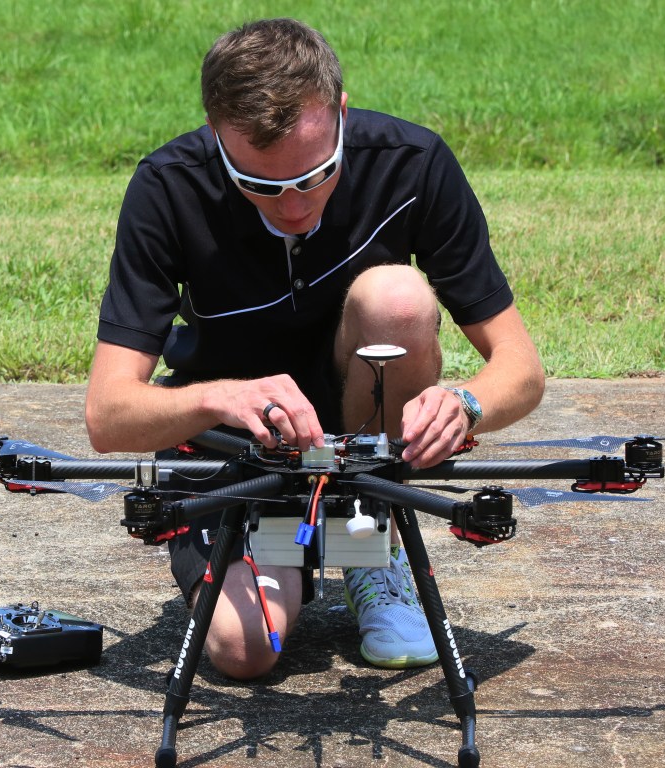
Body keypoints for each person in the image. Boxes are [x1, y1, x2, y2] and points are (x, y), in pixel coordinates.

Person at [86, 18, 544, 680]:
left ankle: (368, 536)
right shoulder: (166, 188)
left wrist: (465, 402)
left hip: (361, 440)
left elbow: (522, 370)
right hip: (240, 453)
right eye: (262, 185)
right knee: (247, 650)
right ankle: (290, 541)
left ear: (342, 113)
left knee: (398, 299)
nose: (293, 206)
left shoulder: (413, 163)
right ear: (218, 135)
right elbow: (108, 414)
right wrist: (224, 396)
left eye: (314, 175)